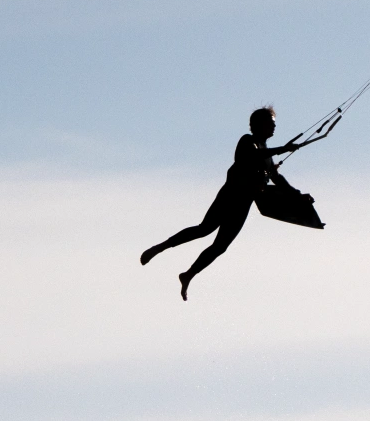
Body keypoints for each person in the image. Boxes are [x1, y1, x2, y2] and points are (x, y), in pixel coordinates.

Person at [141, 105, 341, 299]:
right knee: (205, 229)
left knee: (220, 246)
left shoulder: (267, 153)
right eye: (270, 123)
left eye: (274, 123)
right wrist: (282, 149)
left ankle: (188, 275)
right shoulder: (248, 141)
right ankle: (160, 247)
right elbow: (253, 155)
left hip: (243, 203)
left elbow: (277, 179)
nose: (274, 127)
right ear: (257, 124)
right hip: (230, 196)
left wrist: (298, 195)